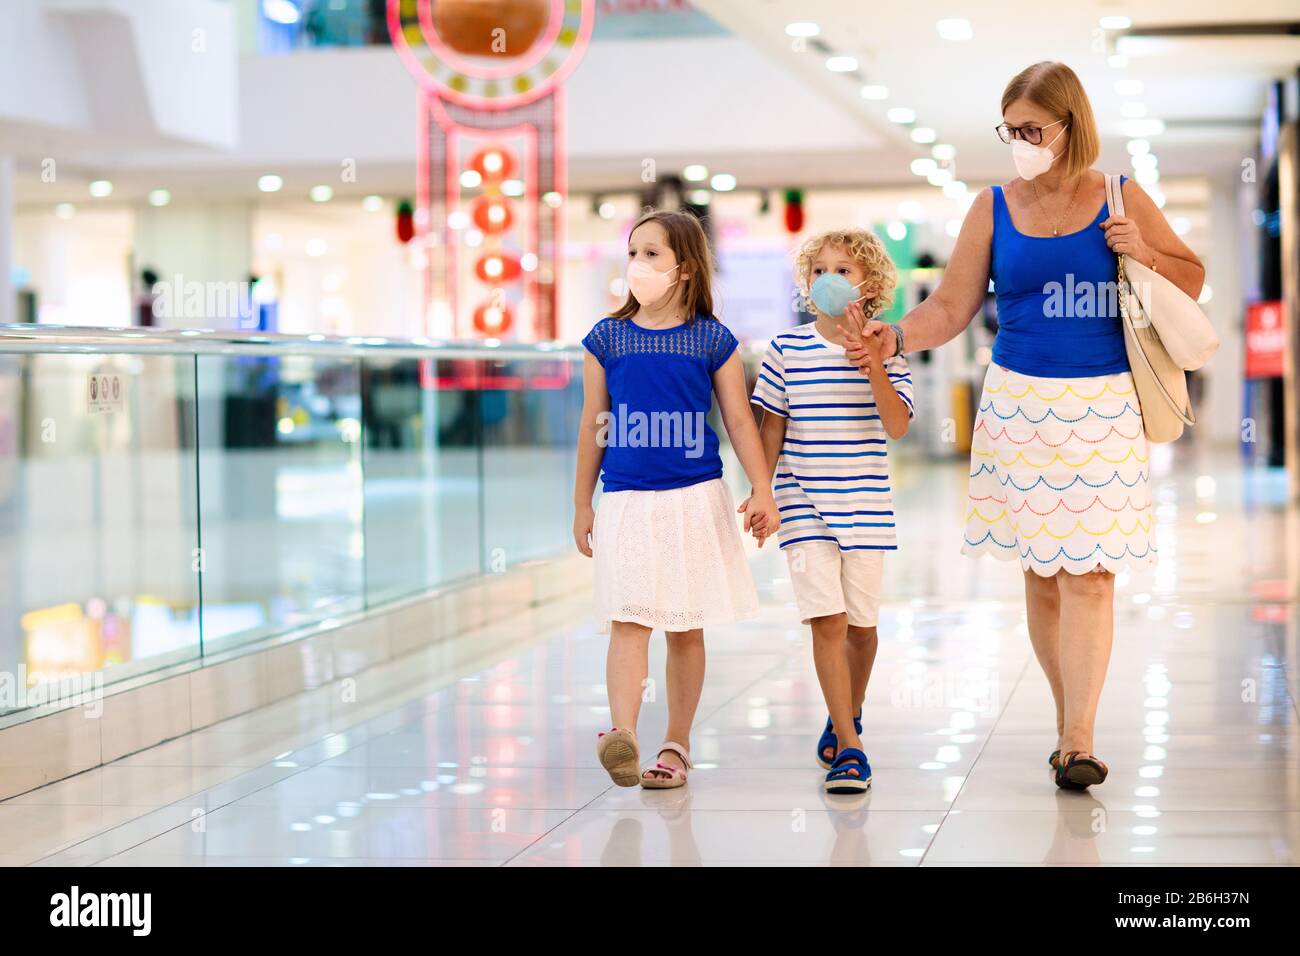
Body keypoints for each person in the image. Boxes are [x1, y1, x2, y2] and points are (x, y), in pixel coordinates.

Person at [855, 61, 1204, 790]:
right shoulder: (992, 207)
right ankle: (1064, 720)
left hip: (1105, 404)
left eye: (1032, 129)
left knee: (1093, 573)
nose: (1020, 141)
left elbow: (1190, 276)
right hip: (1018, 405)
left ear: (1070, 127)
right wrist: (894, 336)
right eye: (1009, 129)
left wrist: (1140, 249)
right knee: (1044, 572)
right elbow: (951, 306)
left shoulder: (1119, 194)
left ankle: (1080, 737)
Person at [574, 209, 780, 790]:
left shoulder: (713, 339)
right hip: (626, 500)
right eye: (632, 252)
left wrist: (762, 488)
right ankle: (623, 733)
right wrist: (581, 503)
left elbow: (740, 422)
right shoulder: (606, 337)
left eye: (650, 254)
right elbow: (595, 421)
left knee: (686, 628)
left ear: (684, 268)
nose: (636, 263)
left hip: (695, 497)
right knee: (628, 620)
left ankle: (676, 745)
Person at [749, 228, 913, 794]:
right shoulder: (785, 350)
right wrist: (762, 492)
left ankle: (849, 711)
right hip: (803, 501)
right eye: (820, 269)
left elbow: (896, 425)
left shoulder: (888, 348)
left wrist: (872, 364)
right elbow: (771, 426)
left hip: (865, 502)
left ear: (869, 283)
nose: (830, 279)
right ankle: (849, 745)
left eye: (844, 269)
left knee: (862, 630)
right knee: (829, 621)